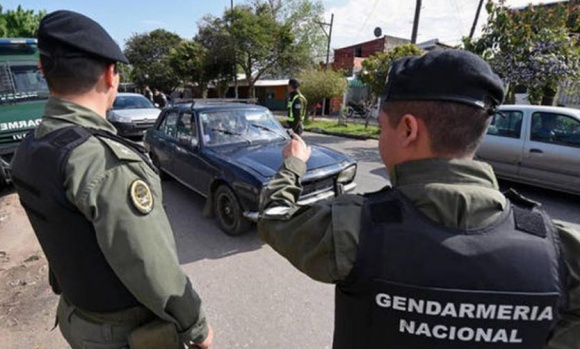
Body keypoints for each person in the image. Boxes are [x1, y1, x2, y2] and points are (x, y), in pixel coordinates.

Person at [258, 50, 580, 348]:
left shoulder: (354, 230)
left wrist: (294, 162)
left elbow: (275, 214)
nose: (381, 138)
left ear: (409, 129)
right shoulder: (561, 250)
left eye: (382, 128)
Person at [11, 10, 213, 349]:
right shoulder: (104, 162)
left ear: (43, 70)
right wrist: (196, 327)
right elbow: (151, 265)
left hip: (78, 318)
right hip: (122, 335)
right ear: (110, 75)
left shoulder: (32, 147)